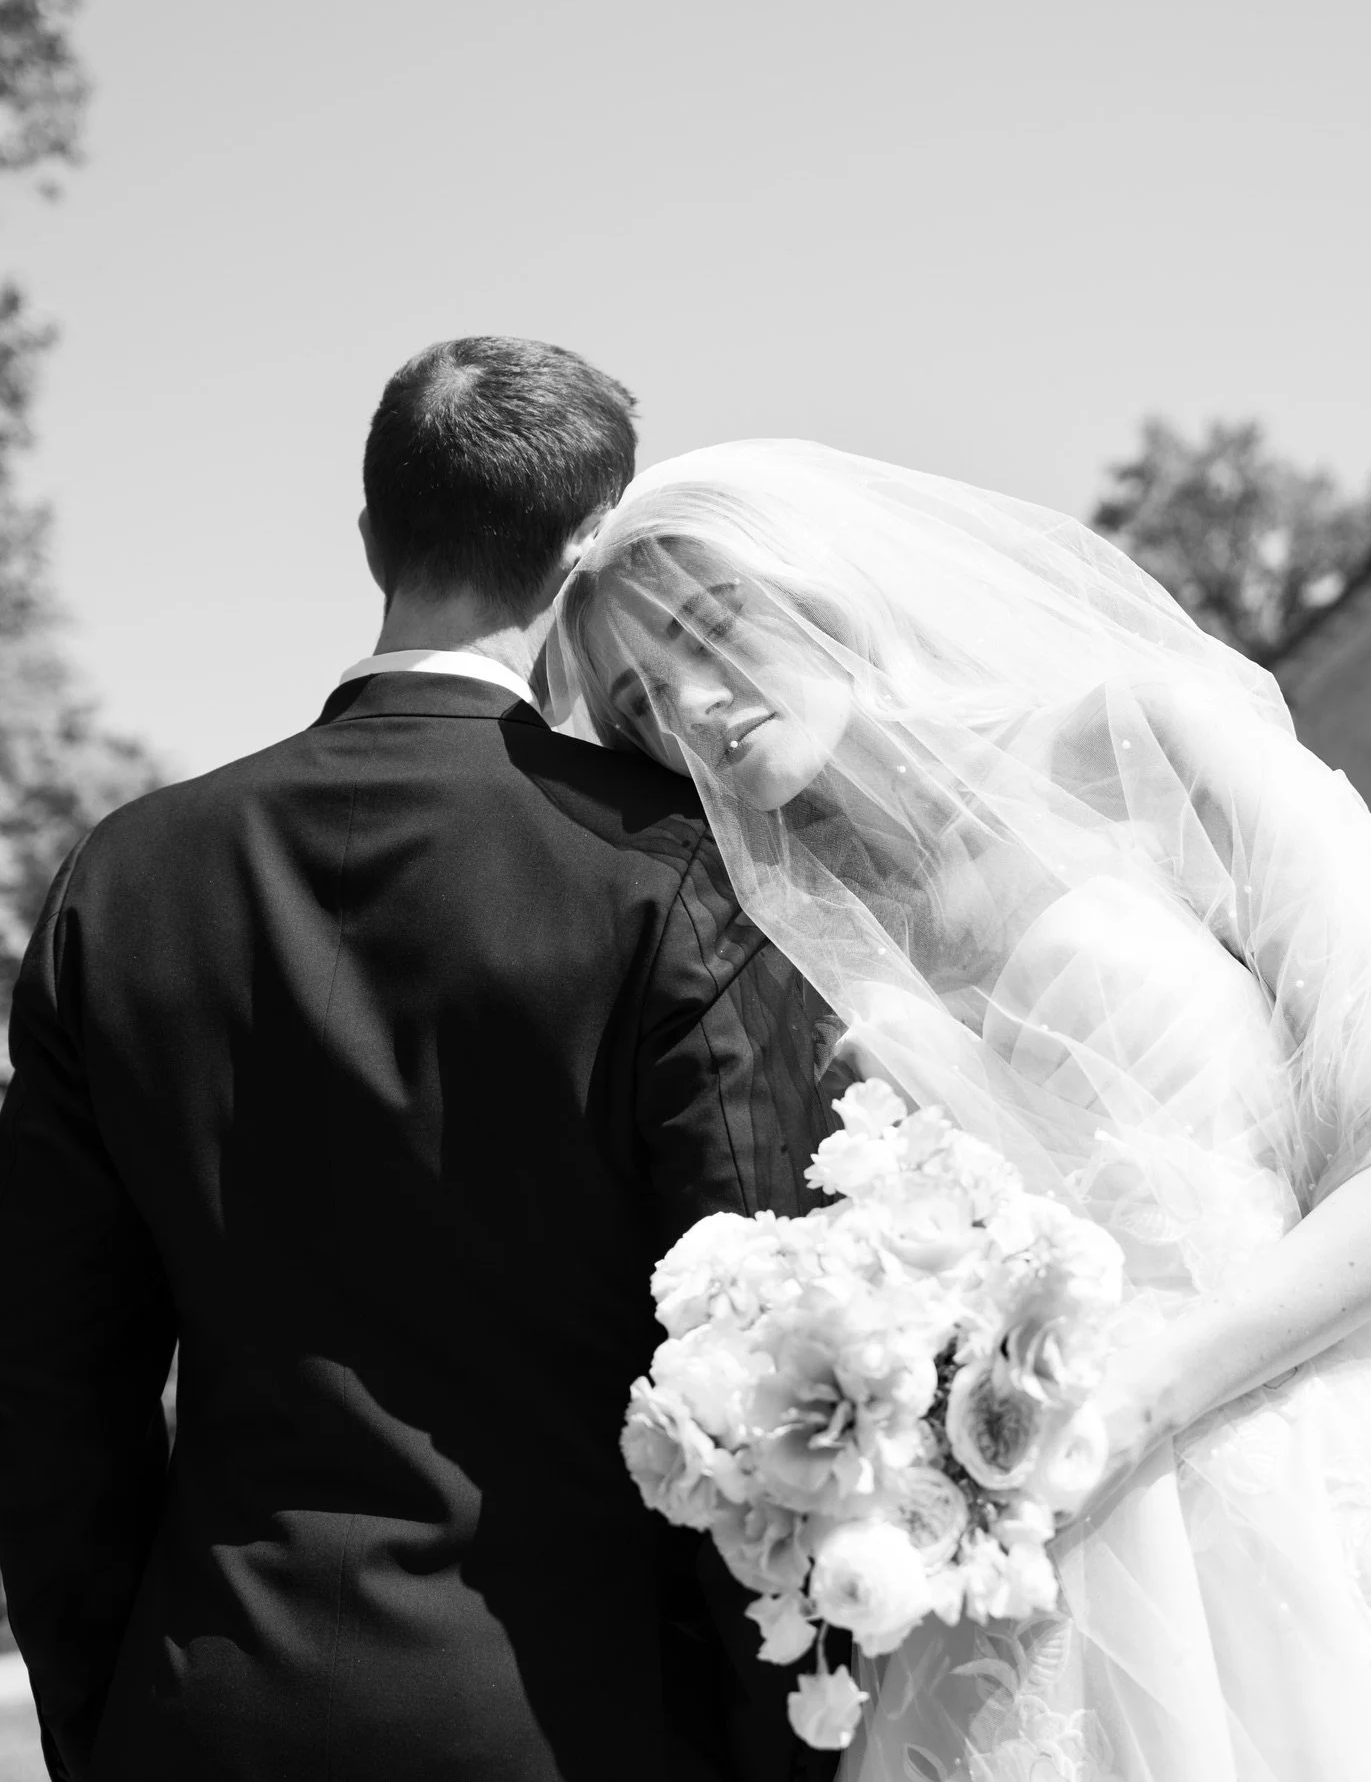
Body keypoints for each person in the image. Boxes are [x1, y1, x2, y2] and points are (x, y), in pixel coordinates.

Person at [0, 344, 836, 1782]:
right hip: (579, 1725)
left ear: (371, 537)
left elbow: (49, 1394)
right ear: (588, 551)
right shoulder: (668, 874)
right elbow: (748, 1372)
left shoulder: (123, 878)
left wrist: (109, 1725)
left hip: (203, 1710)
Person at [552, 436, 1371, 1782]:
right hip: (1021, 1573)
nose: (692, 706)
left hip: (1307, 1480)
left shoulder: (1143, 743)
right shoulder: (778, 947)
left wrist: (1139, 1406)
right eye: (639, 703)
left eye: (712, 628)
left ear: (829, 591)